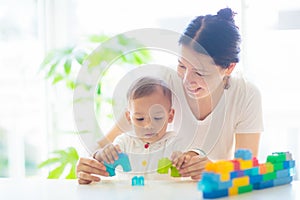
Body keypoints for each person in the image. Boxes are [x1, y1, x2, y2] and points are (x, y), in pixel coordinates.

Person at [76, 7, 263, 184]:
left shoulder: (245, 95)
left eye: (200, 73)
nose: (187, 80)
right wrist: (90, 162)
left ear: (229, 67)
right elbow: (107, 143)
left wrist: (214, 168)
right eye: (182, 66)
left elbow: (247, 169)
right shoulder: (163, 84)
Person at [92, 76, 185, 178]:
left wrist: (182, 160)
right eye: (140, 119)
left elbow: (187, 162)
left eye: (157, 118)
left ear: (170, 116)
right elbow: (103, 163)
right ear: (129, 118)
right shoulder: (123, 142)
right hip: (128, 193)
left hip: (163, 194)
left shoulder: (175, 142)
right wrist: (102, 154)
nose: (148, 125)